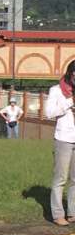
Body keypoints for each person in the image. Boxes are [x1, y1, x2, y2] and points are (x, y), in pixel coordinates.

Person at [45, 60, 75, 226]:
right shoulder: (56, 91)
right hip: (64, 138)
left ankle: (73, 212)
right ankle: (57, 214)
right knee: (60, 178)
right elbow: (49, 113)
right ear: (70, 74)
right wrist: (70, 101)